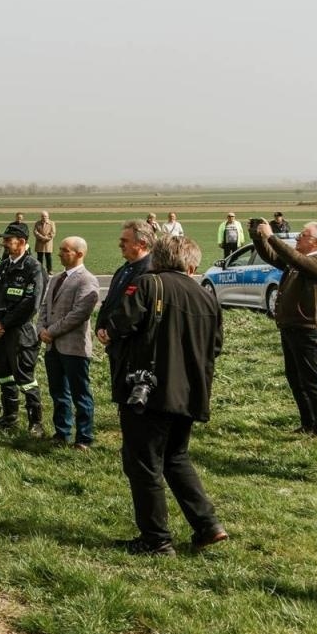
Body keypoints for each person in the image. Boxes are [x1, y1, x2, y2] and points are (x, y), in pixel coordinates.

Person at [104, 235, 227, 556]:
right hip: (190, 393)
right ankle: (207, 525)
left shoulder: (148, 285)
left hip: (149, 390)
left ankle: (156, 539)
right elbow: (215, 347)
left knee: (143, 464)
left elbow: (120, 323)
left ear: (157, 260)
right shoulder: (207, 297)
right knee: (176, 457)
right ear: (192, 263)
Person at [253, 220, 317, 438]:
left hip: (309, 330)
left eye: (304, 235)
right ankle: (308, 423)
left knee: (311, 381)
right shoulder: (302, 261)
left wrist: (272, 236)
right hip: (293, 328)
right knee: (296, 379)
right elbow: (273, 257)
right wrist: (258, 237)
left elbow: (294, 258)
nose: (298, 237)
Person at [0, 222, 46, 433]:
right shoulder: (2, 268)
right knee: (4, 374)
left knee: (25, 377)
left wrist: (4, 323)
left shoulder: (33, 269)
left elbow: (30, 303)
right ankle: (9, 416)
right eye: (4, 240)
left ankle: (35, 422)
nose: (5, 243)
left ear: (23, 243)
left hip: (20, 333)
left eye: (9, 240)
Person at [38, 236, 100, 449]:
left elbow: (78, 314)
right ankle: (61, 432)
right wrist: (41, 330)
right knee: (58, 392)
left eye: (65, 250)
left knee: (80, 393)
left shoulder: (87, 280)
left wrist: (51, 331)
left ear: (79, 253)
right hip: (52, 346)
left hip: (74, 347)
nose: (59, 253)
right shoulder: (56, 279)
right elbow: (45, 306)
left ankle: (84, 437)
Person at [96, 220, 155, 426]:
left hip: (134, 349)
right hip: (117, 346)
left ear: (141, 243)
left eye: (125, 241)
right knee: (122, 392)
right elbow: (109, 303)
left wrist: (111, 332)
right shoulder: (124, 270)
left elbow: (133, 312)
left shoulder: (148, 272)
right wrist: (100, 328)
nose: (120, 244)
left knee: (134, 397)